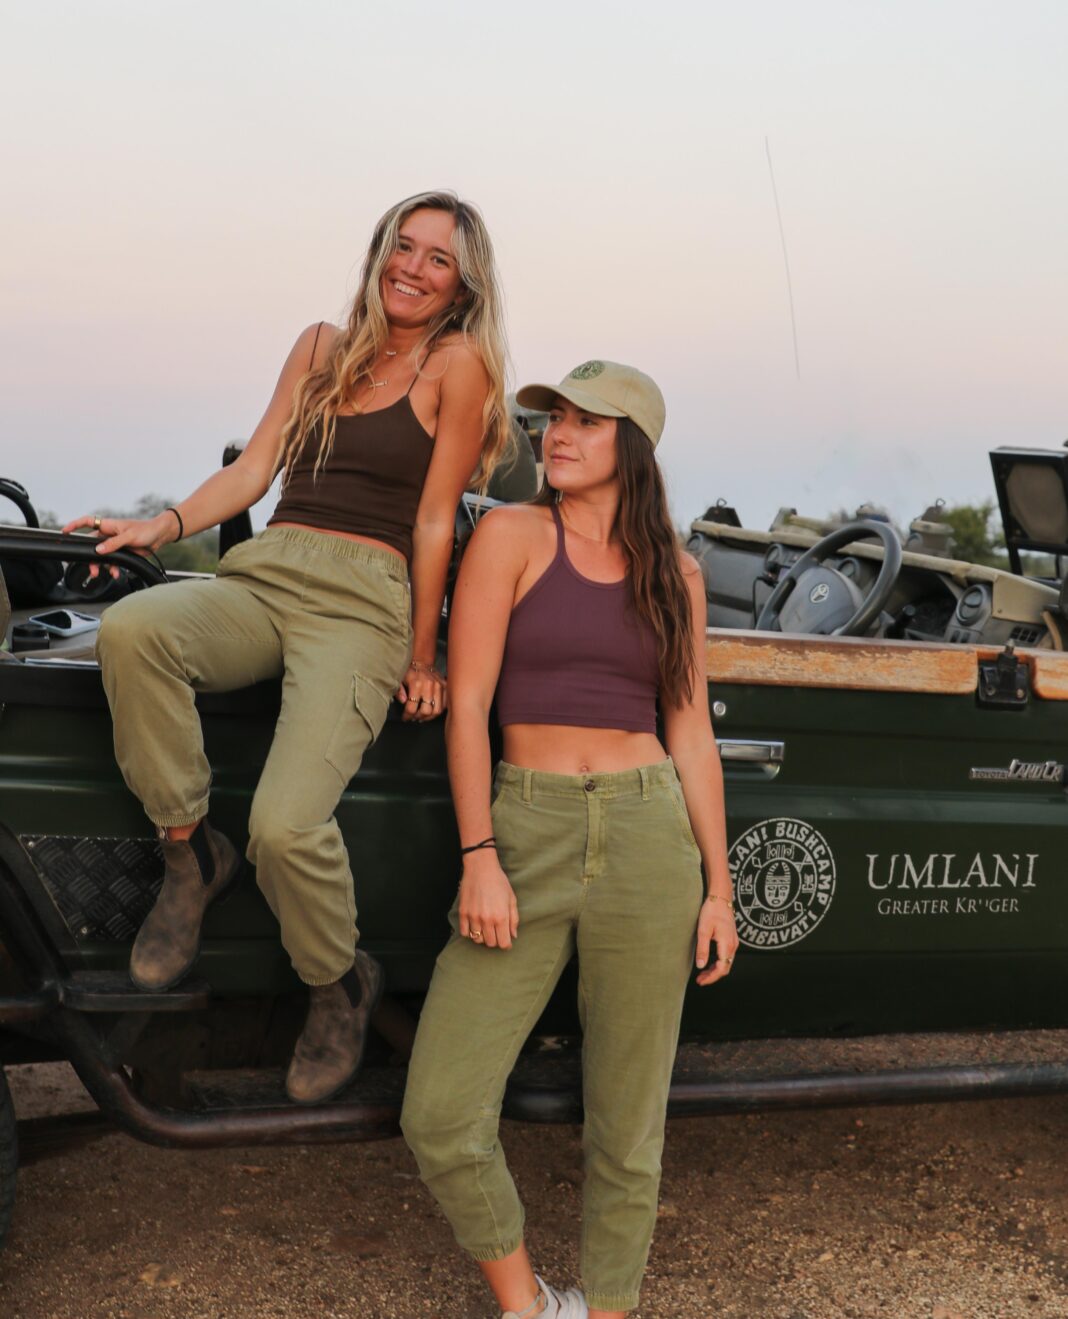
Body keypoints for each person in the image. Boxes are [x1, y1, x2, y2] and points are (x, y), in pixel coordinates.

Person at [64, 191, 511, 1106]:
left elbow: (434, 519)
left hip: (365, 599)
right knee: (134, 629)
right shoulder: (319, 346)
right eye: (405, 247)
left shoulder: (456, 365)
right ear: (381, 250)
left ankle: (337, 982)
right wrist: (163, 524)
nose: (413, 269)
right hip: (271, 570)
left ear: (464, 286)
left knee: (285, 824)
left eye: (438, 260)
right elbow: (256, 467)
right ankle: (190, 853)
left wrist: (422, 654)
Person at [401, 360, 738, 1318]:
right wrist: (480, 855)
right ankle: (529, 1305)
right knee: (440, 1109)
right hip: (528, 825)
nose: (557, 434)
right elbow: (466, 704)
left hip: (647, 833)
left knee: (628, 1124)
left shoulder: (676, 573)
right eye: (554, 418)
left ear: (632, 446)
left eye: (587, 423)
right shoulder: (510, 534)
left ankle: (609, 1310)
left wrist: (719, 888)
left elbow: (690, 731)